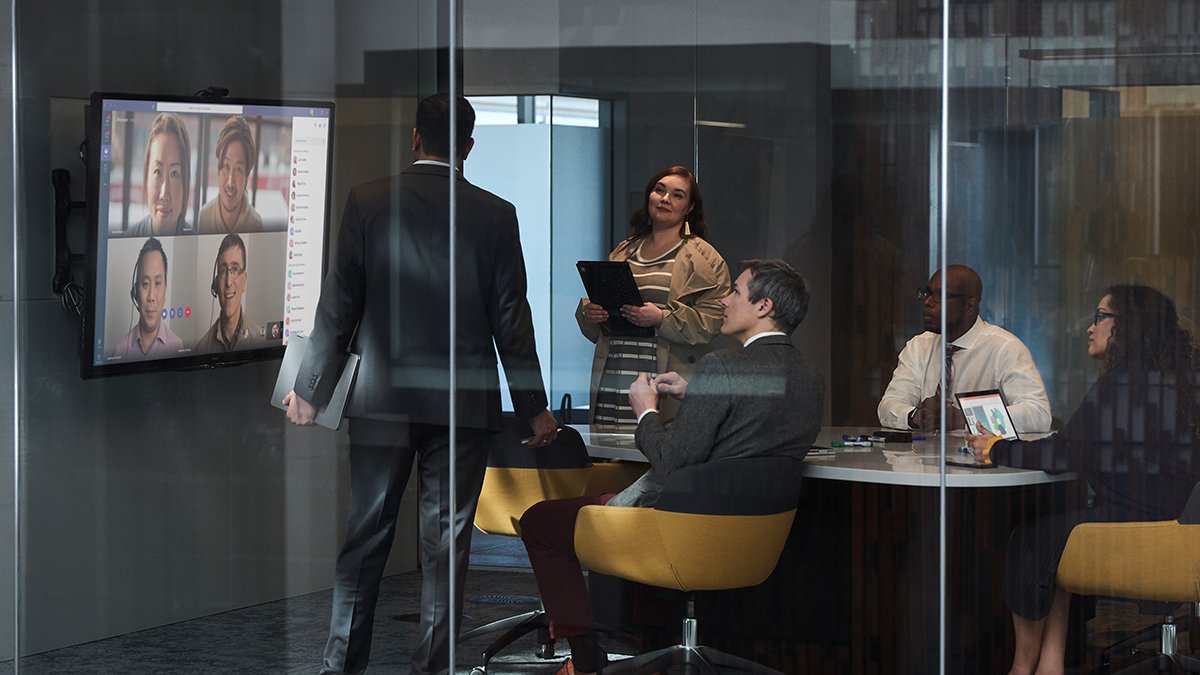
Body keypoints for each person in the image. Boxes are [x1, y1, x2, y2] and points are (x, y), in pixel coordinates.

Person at [282, 93, 558, 675]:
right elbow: (512, 316)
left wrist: (311, 388)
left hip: (381, 398)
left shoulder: (367, 201)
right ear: (468, 148)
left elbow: (338, 307)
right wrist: (533, 407)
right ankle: (433, 669)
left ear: (414, 139)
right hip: (463, 404)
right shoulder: (496, 214)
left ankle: (340, 665)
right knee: (445, 545)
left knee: (366, 536)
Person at [521, 259, 824, 675]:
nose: (724, 299)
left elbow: (671, 459)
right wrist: (697, 392)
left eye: (735, 291)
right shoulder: (809, 376)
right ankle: (652, 643)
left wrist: (645, 412)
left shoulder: (723, 366)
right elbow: (747, 430)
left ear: (763, 306)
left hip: (684, 531)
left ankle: (587, 660)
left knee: (540, 520)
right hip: (752, 538)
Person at [965, 285, 1200, 675]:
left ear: (1127, 325)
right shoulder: (1173, 379)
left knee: (1031, 538)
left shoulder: (1124, 383)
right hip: (1182, 522)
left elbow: (1065, 455)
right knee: (1059, 529)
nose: (1090, 328)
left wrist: (996, 449)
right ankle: (1051, 664)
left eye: (1100, 317)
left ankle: (1022, 667)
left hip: (1151, 526)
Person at [577, 165, 730, 424]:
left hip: (664, 381)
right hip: (614, 372)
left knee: (657, 450)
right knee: (610, 453)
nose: (665, 199)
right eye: (659, 190)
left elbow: (714, 320)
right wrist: (590, 312)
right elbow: (599, 313)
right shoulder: (624, 250)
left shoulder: (705, 258)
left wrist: (661, 318)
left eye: (677, 195)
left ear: (690, 207)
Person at [877, 264, 1052, 433]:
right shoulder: (918, 346)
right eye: (927, 294)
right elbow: (889, 405)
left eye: (940, 296)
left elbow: (1038, 414)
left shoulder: (1005, 348)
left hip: (981, 459)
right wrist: (917, 417)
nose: (928, 302)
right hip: (924, 458)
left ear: (969, 306)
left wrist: (965, 419)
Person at [111, 237, 184, 359]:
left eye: (157, 283)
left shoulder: (177, 347)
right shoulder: (120, 350)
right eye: (145, 284)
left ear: (165, 289)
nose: (151, 297)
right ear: (135, 292)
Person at [195, 234, 267, 352]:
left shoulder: (261, 342)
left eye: (235, 269)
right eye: (223, 271)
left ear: (244, 281)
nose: (228, 282)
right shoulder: (201, 348)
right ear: (216, 284)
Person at [126, 112, 192, 237]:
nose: (164, 194)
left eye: (174, 174)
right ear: (146, 177)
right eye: (157, 172)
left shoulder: (197, 246)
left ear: (186, 181)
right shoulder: (127, 240)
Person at [197, 116, 263, 234]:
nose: (230, 182)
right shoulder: (204, 217)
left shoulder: (256, 224)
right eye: (226, 166)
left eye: (238, 169)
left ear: (246, 177)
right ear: (218, 169)